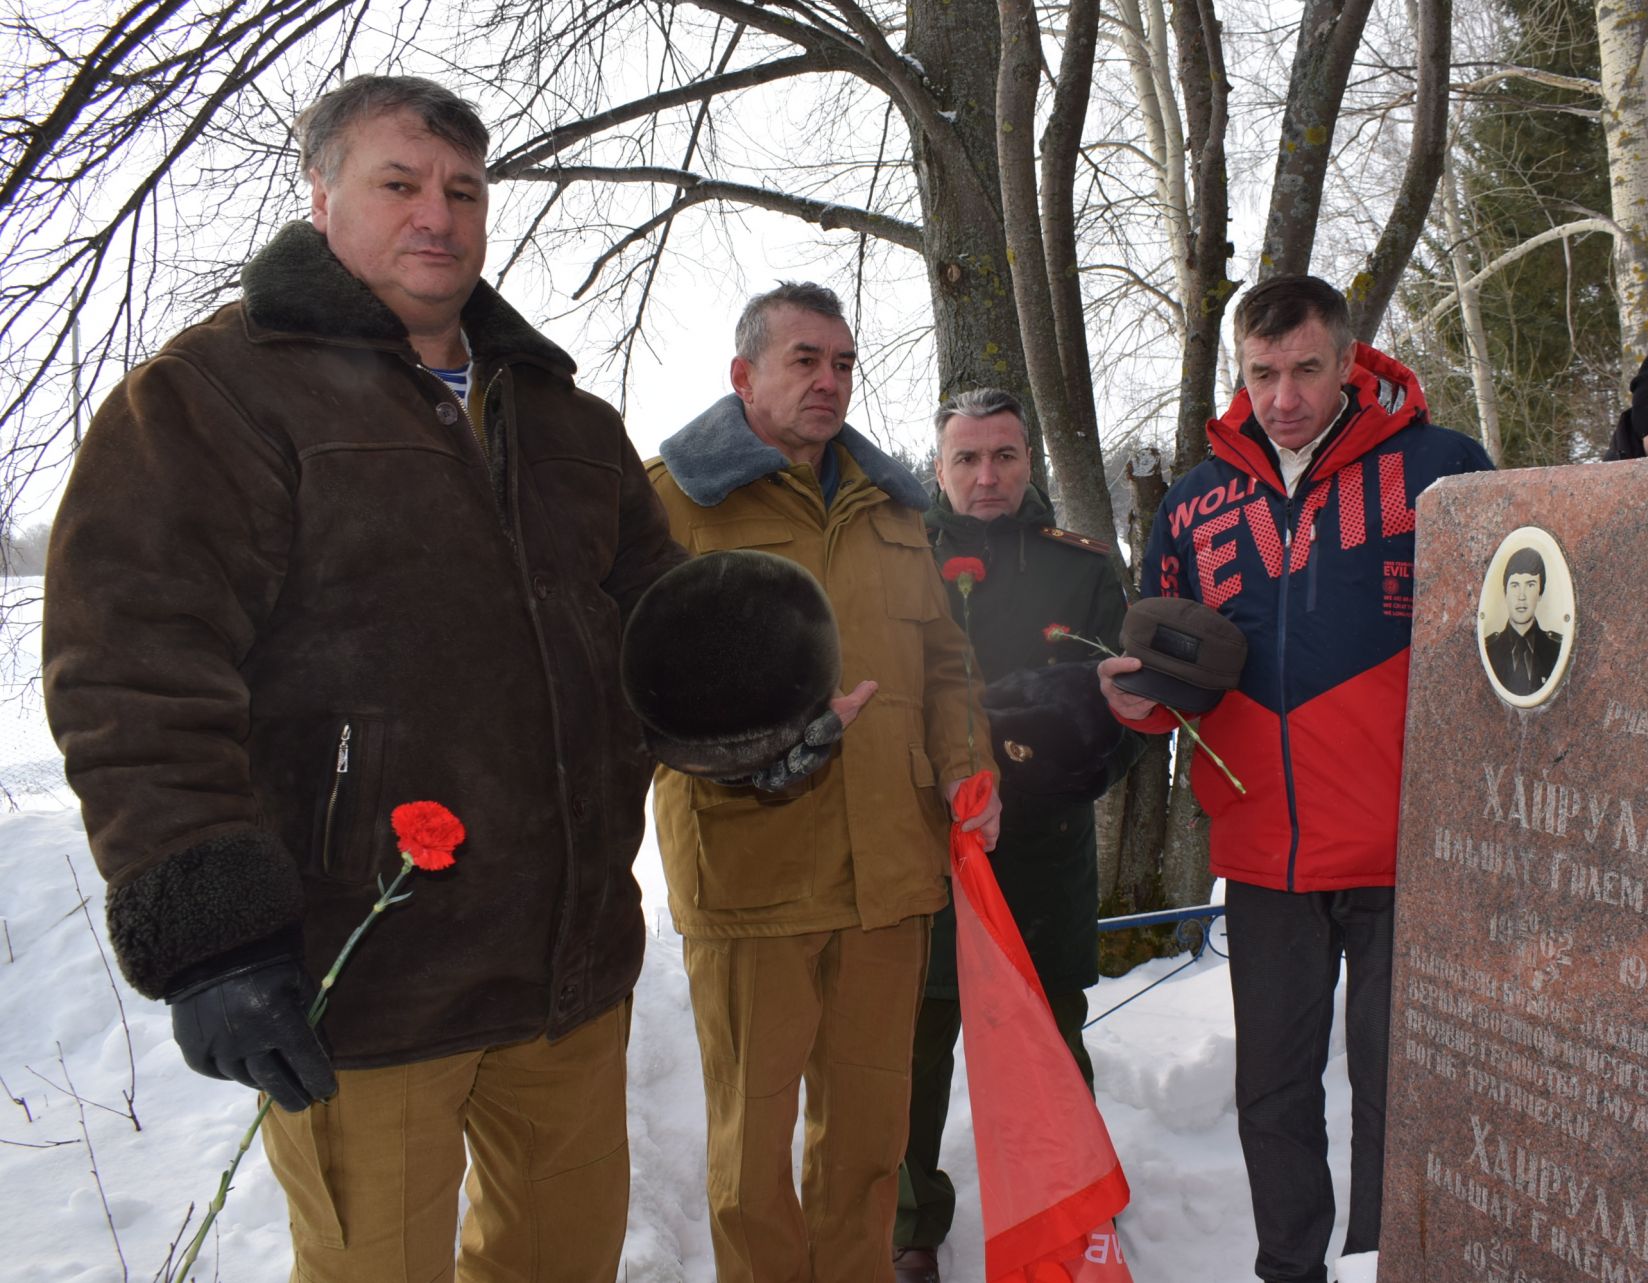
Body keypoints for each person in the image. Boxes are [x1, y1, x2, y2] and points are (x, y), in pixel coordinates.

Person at [41, 75, 686, 1281]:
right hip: (367, 974)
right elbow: (133, 666)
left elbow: (653, 632)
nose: (435, 213)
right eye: (400, 183)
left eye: (462, 189)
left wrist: (746, 714)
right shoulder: (215, 395)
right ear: (324, 193)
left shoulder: (563, 418)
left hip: (567, 970)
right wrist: (215, 940)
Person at [1096, 275, 1493, 1283]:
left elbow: (1505, 651)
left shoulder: (1443, 473)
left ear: (1349, 361)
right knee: (1271, 1088)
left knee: (1401, 1085)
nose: (1283, 396)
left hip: (1410, 847)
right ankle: (1291, 1270)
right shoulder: (1193, 504)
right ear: (1241, 371)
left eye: (1306, 369)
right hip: (1266, 854)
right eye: (1263, 373)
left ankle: (1388, 1260)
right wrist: (1143, 701)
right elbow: (1174, 664)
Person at [646, 281, 1001, 1283]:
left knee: (867, 1146)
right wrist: (769, 744)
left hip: (888, 871)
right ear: (742, 373)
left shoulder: (894, 507)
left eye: (843, 363)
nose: (829, 380)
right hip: (752, 870)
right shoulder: (670, 502)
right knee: (750, 1159)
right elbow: (641, 693)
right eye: (804, 359)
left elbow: (942, 660)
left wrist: (968, 764)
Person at [893, 389, 1142, 1283]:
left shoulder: (1079, 565)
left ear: (1030, 460)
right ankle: (912, 1221)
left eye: (1003, 456)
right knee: (916, 1040)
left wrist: (1065, 779)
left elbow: (1126, 708)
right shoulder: (901, 557)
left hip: (1040, 846)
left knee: (1049, 1030)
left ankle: (1066, 1201)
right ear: (940, 467)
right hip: (925, 844)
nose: (986, 476)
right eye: (967, 459)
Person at [1483, 546, 1562, 696]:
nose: (1521, 596)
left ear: (1540, 593)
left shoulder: (1556, 647)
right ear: (1505, 592)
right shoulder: (1490, 648)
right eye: (1515, 585)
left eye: (1530, 585)